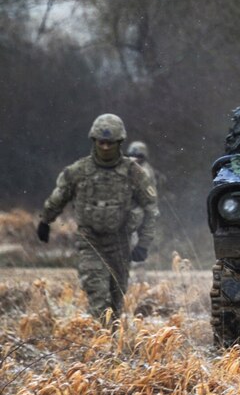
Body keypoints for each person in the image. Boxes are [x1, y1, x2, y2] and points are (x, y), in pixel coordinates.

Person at [37, 114, 159, 319]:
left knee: (116, 301)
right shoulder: (78, 171)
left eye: (109, 143)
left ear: (119, 142)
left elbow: (150, 209)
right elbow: (59, 197)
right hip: (90, 242)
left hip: (120, 243)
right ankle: (100, 343)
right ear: (94, 140)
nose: (104, 147)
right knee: (99, 299)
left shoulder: (134, 173)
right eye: (101, 142)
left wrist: (143, 244)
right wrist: (45, 220)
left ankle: (111, 346)